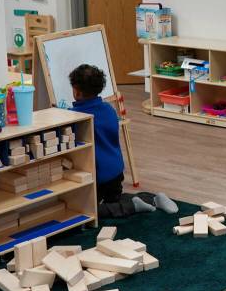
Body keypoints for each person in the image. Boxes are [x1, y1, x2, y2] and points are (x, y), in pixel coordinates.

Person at [68, 64, 177, 218]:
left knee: (86, 213)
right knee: (113, 199)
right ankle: (152, 199)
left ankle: (132, 206)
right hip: (116, 173)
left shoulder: (77, 117)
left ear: (77, 92)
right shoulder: (109, 109)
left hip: (99, 178)